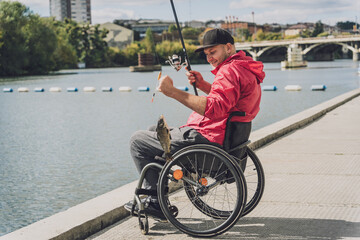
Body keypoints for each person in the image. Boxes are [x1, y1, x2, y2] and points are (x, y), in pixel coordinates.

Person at [125, 28, 265, 221]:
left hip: (206, 141)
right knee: (153, 132)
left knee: (137, 141)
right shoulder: (243, 68)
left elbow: (215, 109)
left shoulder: (228, 71)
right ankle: (157, 194)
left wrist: (172, 92)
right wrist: (203, 85)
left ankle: (155, 202)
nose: (210, 58)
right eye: (207, 54)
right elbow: (230, 103)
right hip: (223, 141)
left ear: (229, 47)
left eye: (213, 52)